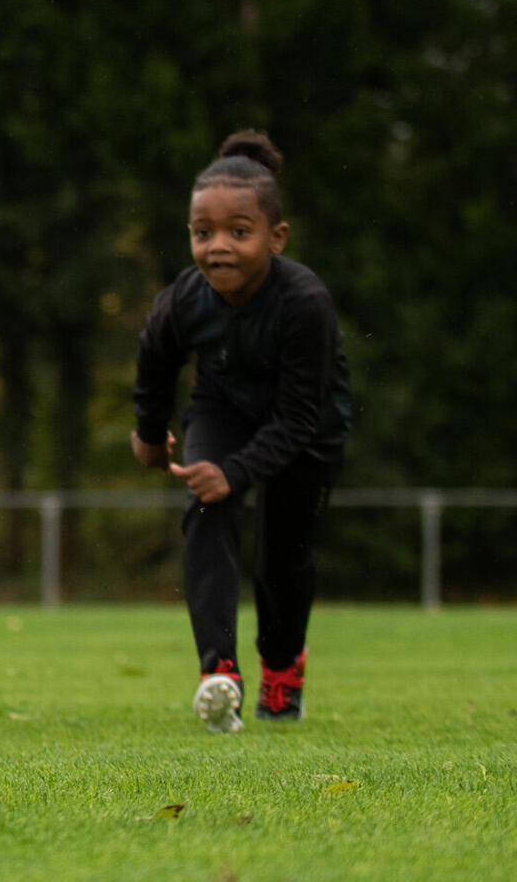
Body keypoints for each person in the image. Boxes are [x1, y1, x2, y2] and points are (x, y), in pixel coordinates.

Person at [131, 131, 352, 733]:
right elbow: (156, 357)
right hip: (223, 410)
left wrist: (235, 471)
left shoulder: (305, 303)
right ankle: (219, 671)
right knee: (206, 510)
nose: (218, 247)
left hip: (305, 428)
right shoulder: (184, 299)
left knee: (283, 556)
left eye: (239, 231)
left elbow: (300, 417)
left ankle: (282, 665)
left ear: (276, 237)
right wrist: (150, 432)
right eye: (203, 233)